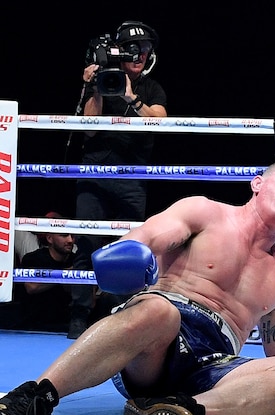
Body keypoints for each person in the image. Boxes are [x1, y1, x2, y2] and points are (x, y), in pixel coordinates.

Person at [0, 160, 275, 415]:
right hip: (155, 340)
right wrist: (132, 251)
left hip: (214, 366)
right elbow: (148, 236)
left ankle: (178, 411)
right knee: (159, 311)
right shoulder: (205, 212)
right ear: (257, 183)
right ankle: (29, 401)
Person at [68, 20, 168, 340]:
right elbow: (89, 128)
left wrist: (130, 98)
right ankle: (79, 316)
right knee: (86, 243)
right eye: (133, 50)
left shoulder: (151, 89)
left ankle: (122, 313)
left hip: (133, 178)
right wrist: (94, 87)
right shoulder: (100, 81)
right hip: (95, 174)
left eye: (145, 51)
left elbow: (161, 122)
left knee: (128, 248)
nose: (139, 56)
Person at [18, 213, 77, 332]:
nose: (70, 240)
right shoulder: (34, 258)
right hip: (34, 325)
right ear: (50, 238)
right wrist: (65, 275)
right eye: (64, 235)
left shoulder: (77, 261)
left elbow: (90, 298)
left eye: (72, 235)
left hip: (68, 324)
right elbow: (32, 287)